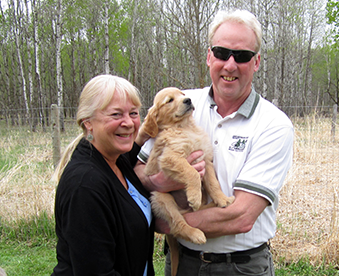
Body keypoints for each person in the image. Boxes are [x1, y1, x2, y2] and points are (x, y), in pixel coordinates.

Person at [135, 9, 294, 276]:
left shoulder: (274, 125)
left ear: (256, 62)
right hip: (181, 261)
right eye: (221, 53)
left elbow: (241, 216)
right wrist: (159, 182)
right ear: (209, 56)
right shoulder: (183, 103)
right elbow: (138, 169)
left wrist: (170, 224)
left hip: (241, 267)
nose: (230, 65)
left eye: (242, 56)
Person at [51, 74, 153, 276]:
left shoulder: (120, 159)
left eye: (133, 113)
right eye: (116, 115)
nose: (129, 123)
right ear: (87, 122)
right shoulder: (85, 186)